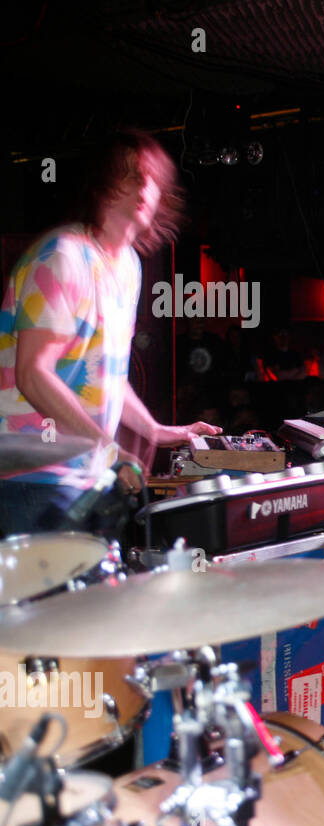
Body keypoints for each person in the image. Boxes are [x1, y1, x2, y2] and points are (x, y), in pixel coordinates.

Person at [0, 129, 219, 535]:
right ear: (102, 183)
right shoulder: (62, 257)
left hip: (80, 475)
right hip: (30, 477)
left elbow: (104, 374)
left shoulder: (128, 267)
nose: (143, 187)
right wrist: (108, 446)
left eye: (151, 178)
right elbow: (33, 374)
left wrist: (155, 429)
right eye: (130, 175)